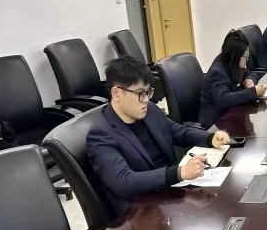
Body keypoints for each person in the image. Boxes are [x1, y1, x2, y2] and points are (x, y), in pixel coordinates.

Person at [87, 56, 230, 219]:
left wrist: (210, 138)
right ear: (117, 93)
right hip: (143, 210)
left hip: (172, 194)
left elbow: (176, 131)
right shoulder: (101, 134)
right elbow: (124, 181)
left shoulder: (148, 110)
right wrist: (179, 173)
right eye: (140, 93)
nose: (146, 100)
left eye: (148, 92)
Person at [199, 30, 267, 128]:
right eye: (245, 56)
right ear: (236, 55)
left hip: (232, 113)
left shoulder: (232, 62)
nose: (246, 60)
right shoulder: (217, 72)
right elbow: (223, 99)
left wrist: (249, 80)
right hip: (216, 123)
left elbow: (250, 73)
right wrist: (253, 92)